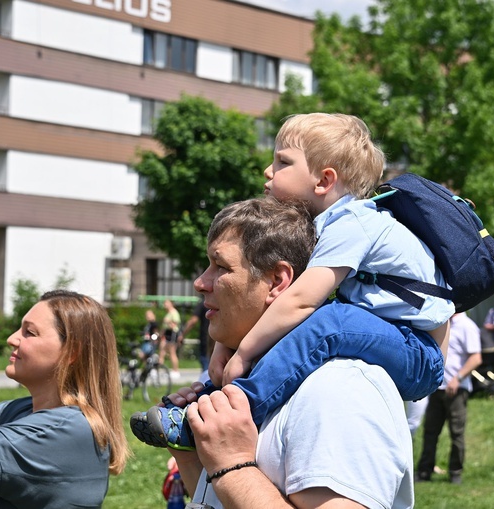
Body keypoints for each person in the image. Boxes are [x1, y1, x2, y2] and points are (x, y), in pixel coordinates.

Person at [136, 112, 451, 449]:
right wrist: (225, 344)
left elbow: (301, 300)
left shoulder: (353, 223)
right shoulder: (327, 227)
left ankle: (232, 415)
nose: (268, 171)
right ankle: (200, 408)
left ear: (324, 181)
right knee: (311, 323)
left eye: (282, 161)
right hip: (393, 338)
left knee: (330, 322)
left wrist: (241, 353)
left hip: (419, 354)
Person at [142, 197, 414, 507]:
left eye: (221, 266)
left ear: (276, 281)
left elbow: (237, 481)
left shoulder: (338, 389)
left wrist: (233, 465)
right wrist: (194, 454)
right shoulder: (250, 374)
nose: (200, 282)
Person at [0, 290, 130, 508]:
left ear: (71, 352)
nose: (12, 339)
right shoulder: (21, 411)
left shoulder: (66, 431)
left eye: (30, 332)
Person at [416, 312, 482, 485]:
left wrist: (457, 378)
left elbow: (476, 358)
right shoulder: (442, 321)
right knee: (430, 431)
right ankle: (424, 470)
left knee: (457, 433)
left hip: (457, 389)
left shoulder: (467, 326)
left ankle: (455, 472)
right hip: (437, 387)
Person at [179, 299, 212, 373]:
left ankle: (206, 381)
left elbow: (193, 320)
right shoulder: (219, 301)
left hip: (206, 338)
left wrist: (182, 334)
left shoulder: (203, 303)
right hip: (219, 340)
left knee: (206, 364)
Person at [159, 299, 182, 381]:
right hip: (167, 333)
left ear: (171, 304)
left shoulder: (174, 312)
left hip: (172, 333)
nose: (164, 304)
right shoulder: (168, 313)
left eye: (166, 303)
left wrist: (168, 322)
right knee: (162, 350)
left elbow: (175, 325)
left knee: (172, 352)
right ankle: (159, 368)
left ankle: (175, 371)